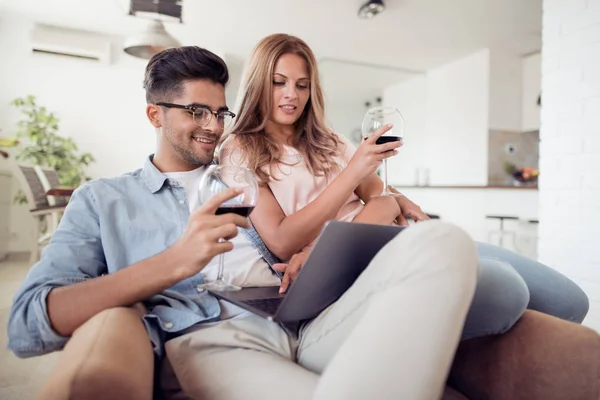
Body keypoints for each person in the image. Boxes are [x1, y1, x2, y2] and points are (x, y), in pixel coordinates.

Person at [7, 45, 481, 399]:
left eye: (219, 112)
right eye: (196, 112)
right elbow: (27, 323)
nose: (213, 126)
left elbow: (305, 226)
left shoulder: (241, 166)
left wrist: (388, 198)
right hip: (214, 333)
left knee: (445, 241)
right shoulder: (105, 199)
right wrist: (174, 262)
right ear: (155, 113)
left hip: (305, 317)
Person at [220, 33, 589, 340]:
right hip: (358, 265)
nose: (292, 95)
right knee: (506, 289)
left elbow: (382, 196)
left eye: (302, 85)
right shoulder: (239, 150)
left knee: (569, 301)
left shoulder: (328, 140)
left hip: (400, 239)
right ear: (258, 83)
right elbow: (282, 240)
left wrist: (400, 202)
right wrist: (357, 180)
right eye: (279, 82)